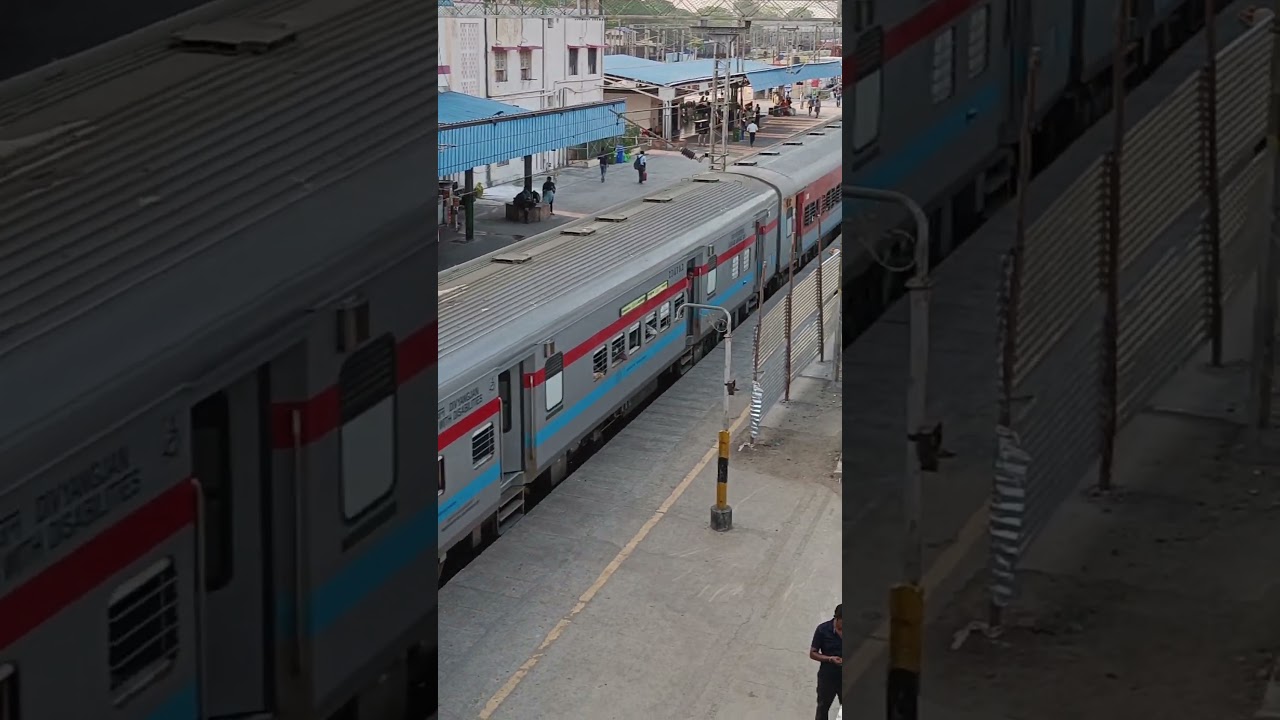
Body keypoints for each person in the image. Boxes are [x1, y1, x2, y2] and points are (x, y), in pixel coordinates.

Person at [810, 604, 843, 720]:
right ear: (837, 618)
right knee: (822, 708)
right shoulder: (823, 630)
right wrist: (829, 659)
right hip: (827, 677)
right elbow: (812, 653)